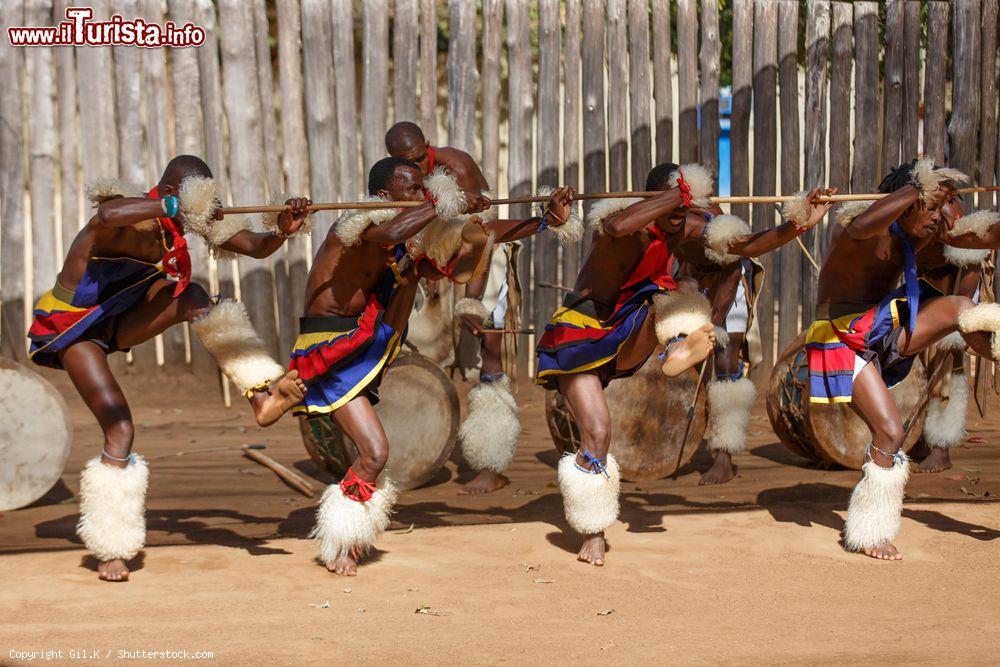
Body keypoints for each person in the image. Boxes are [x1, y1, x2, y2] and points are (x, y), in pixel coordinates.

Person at [27, 155, 310, 582]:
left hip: (118, 322)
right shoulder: (130, 217)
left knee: (195, 296)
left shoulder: (176, 225)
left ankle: (262, 395)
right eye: (203, 196)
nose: (210, 205)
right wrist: (171, 208)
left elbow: (254, 246)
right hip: (75, 331)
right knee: (120, 428)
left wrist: (283, 229)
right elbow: (105, 213)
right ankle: (111, 548)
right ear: (178, 193)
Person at [296, 156, 575, 575]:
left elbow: (483, 235)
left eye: (421, 189)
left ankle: (346, 543)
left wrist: (543, 220)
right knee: (374, 452)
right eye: (411, 190)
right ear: (383, 196)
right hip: (329, 349)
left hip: (365, 347)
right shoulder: (355, 225)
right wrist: (443, 203)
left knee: (374, 453)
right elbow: (391, 230)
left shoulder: (411, 236)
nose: (418, 196)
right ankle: (339, 544)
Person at [804, 158, 1000, 561]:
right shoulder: (858, 226)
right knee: (891, 432)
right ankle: (868, 532)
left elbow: (976, 237)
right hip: (839, 337)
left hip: (880, 327)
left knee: (961, 306)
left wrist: (940, 205)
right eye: (931, 207)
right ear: (909, 201)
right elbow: (861, 227)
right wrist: (917, 189)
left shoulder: (916, 235)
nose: (937, 219)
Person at [386, 121, 582, 495]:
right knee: (419, 351)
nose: (418, 168)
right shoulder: (400, 180)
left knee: (487, 354)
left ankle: (491, 465)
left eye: (419, 158)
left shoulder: (456, 167)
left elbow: (484, 236)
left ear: (429, 146)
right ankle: (408, 453)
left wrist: (474, 304)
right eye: (406, 163)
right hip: (435, 258)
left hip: (482, 257)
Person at [670, 186, 837, 484]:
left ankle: (724, 455)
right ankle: (673, 440)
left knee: (725, 360)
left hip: (729, 279)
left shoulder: (704, 223)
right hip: (691, 280)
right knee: (677, 356)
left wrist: (716, 322)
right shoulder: (658, 218)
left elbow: (738, 260)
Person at [910, 199, 993, 473]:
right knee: (919, 372)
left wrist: (957, 318)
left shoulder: (953, 221)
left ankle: (941, 448)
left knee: (947, 376)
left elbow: (970, 271)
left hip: (952, 304)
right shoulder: (916, 218)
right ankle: (922, 438)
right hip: (924, 303)